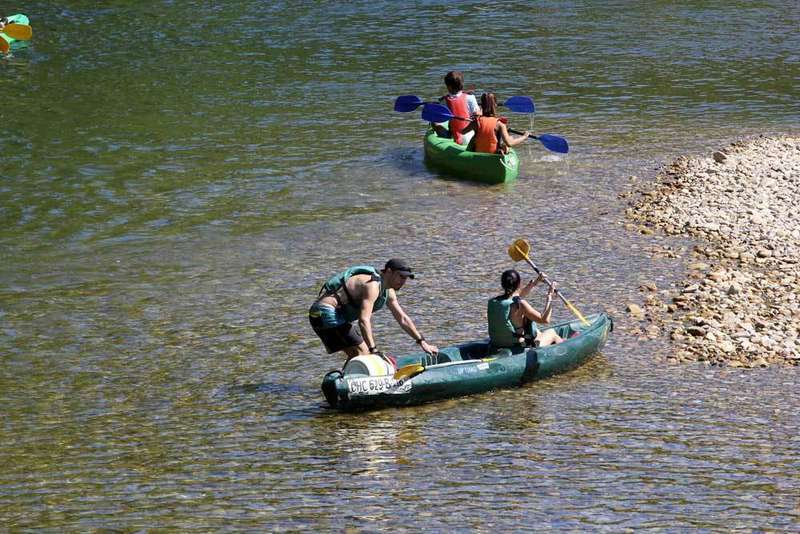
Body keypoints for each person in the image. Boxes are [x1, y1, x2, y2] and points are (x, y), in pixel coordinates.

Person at [309, 259, 438, 360]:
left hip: (320, 314)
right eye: (400, 276)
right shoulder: (373, 285)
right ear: (388, 271)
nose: (403, 281)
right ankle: (354, 387)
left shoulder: (388, 291)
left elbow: (402, 318)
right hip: (326, 312)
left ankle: (344, 384)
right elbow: (364, 320)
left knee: (356, 354)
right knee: (364, 353)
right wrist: (373, 349)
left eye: (405, 278)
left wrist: (422, 342)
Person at [487, 269, 563, 349]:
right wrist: (550, 297)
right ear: (519, 284)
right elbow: (545, 320)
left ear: (503, 284)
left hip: (497, 343)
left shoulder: (494, 301)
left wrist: (535, 282)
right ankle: (564, 349)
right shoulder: (521, 304)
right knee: (551, 332)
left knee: (538, 332)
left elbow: (517, 296)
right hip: (519, 346)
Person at [461, 92, 530, 155]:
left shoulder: (476, 121)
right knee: (509, 139)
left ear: (481, 105)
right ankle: (501, 151)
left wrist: (474, 117)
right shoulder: (500, 124)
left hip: (478, 154)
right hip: (493, 155)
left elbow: (462, 132)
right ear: (495, 105)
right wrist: (524, 137)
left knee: (474, 138)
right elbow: (509, 143)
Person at [430, 70, 480, 145]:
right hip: (471, 136)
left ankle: (447, 138)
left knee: (434, 122)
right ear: (462, 84)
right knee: (478, 112)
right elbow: (478, 116)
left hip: (455, 137)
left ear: (449, 87)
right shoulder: (471, 97)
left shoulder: (444, 101)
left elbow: (438, 117)